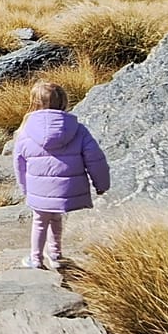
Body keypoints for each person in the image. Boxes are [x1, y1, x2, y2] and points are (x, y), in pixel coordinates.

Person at [13, 81, 109, 269]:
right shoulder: (78, 129)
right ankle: (55, 255)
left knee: (40, 221)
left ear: (34, 103)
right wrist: (101, 184)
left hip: (39, 190)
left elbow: (19, 163)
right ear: (64, 102)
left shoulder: (25, 131)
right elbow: (95, 158)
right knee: (56, 218)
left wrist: (24, 188)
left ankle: (36, 259)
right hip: (67, 189)